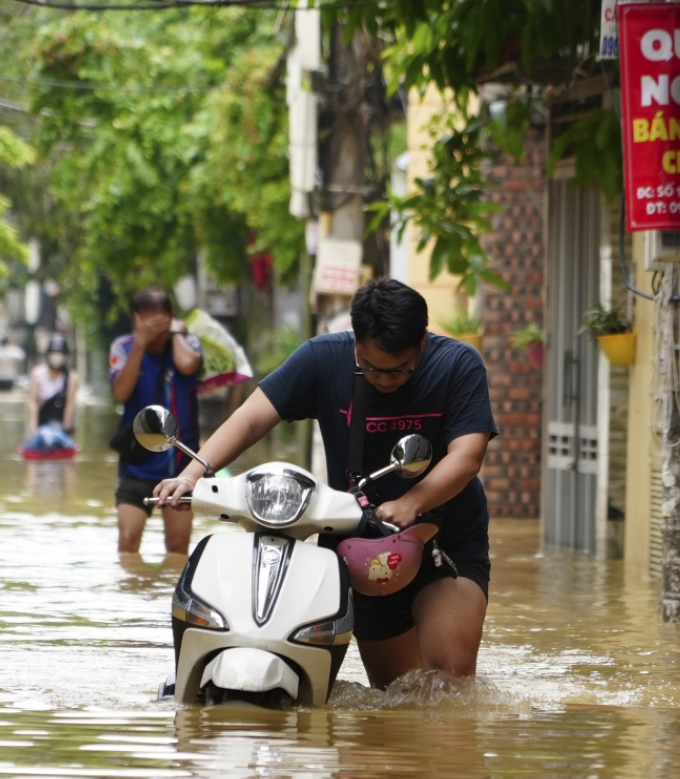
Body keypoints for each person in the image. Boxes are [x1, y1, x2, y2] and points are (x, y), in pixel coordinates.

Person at [152, 278, 497, 690]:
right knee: (395, 698)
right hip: (359, 545)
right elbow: (251, 418)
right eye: (371, 368)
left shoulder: (458, 365)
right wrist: (193, 472)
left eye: (400, 369)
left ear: (422, 342)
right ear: (356, 342)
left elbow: (468, 455)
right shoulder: (322, 358)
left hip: (444, 536)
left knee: (448, 681)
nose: (385, 380)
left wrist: (413, 501)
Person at [110, 287, 202, 555]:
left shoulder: (187, 342)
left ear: (171, 317)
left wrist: (174, 334)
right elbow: (121, 391)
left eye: (161, 322)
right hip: (137, 464)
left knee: (177, 549)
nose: (155, 330)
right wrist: (141, 342)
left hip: (180, 467)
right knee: (127, 542)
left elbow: (188, 365)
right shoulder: (124, 347)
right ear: (137, 319)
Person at [25, 333, 79, 450]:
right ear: (48, 354)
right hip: (42, 426)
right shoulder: (37, 374)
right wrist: (34, 430)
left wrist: (67, 432)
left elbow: (70, 406)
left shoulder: (71, 377)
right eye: (54, 352)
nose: (56, 356)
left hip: (62, 427)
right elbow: (33, 403)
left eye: (60, 353)